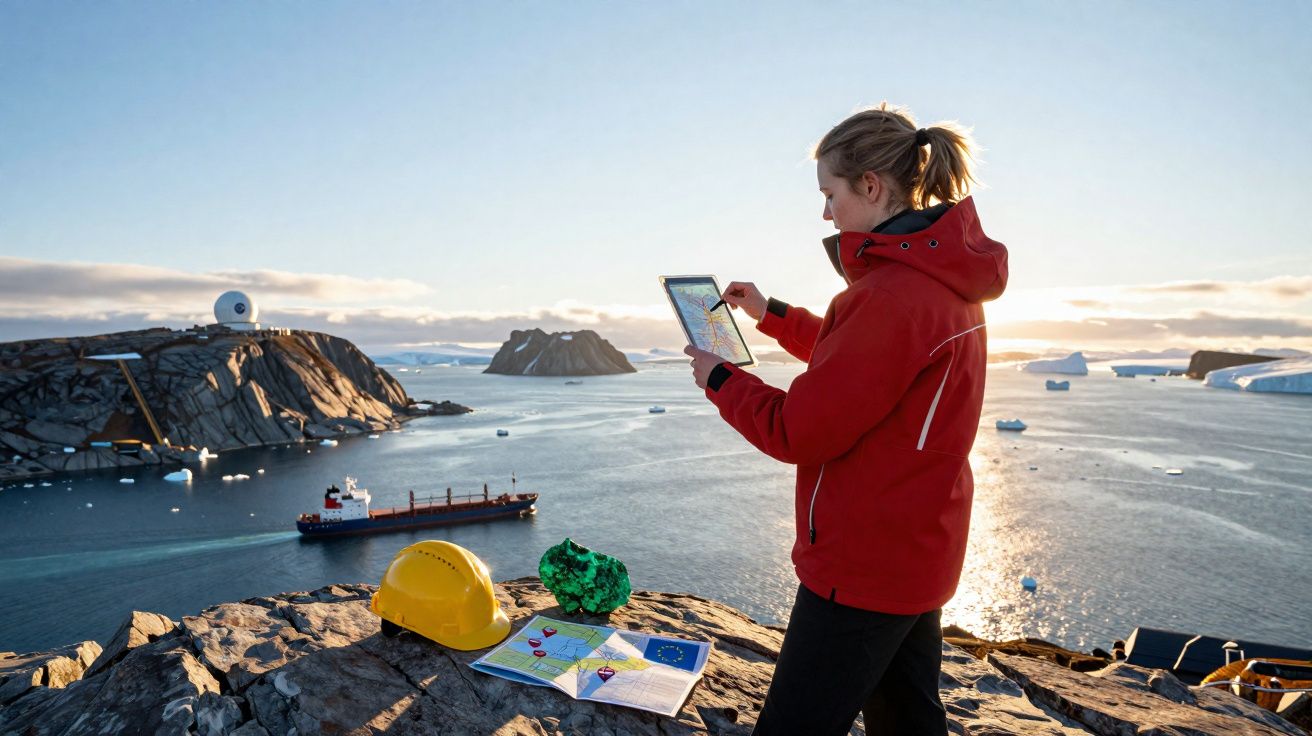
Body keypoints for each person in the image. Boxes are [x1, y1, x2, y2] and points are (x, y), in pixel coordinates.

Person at [684, 102, 1008, 734]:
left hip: (863, 565)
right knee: (907, 722)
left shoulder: (889, 294)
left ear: (871, 186)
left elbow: (797, 429)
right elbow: (867, 369)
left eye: (829, 194)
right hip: (916, 545)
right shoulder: (941, 282)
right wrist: (772, 314)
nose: (826, 213)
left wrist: (721, 380)